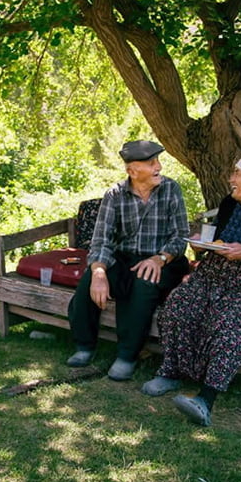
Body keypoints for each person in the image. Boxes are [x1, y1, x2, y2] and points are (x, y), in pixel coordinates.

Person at [141, 153, 241, 426]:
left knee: (229, 322)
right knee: (178, 305)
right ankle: (171, 372)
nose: (230, 179)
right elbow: (216, 237)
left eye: (237, 174)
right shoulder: (229, 203)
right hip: (214, 272)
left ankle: (206, 399)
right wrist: (201, 243)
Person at [66, 139, 190, 381]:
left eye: (158, 161)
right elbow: (101, 240)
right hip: (126, 258)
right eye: (151, 163)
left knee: (144, 282)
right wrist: (99, 272)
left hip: (165, 260)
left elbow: (180, 236)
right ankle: (84, 345)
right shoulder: (114, 195)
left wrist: (159, 259)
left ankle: (127, 355)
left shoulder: (171, 189)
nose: (159, 167)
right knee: (91, 277)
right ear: (132, 171)